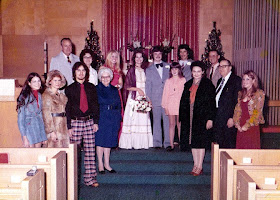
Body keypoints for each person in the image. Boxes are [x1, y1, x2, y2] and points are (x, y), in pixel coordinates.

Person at [65, 62, 99, 187]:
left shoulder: (91, 87)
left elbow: (95, 106)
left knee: (90, 151)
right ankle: (72, 180)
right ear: (74, 73)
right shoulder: (69, 89)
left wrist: (95, 122)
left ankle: (90, 178)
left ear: (86, 72)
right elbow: (67, 109)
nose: (81, 73)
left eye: (83, 70)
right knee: (74, 152)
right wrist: (68, 126)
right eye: (78, 70)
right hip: (75, 122)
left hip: (89, 121)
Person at [179, 61, 216, 176]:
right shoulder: (188, 84)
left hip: (201, 117)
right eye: (194, 71)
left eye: (198, 71)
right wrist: (181, 116)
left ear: (203, 72)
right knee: (193, 142)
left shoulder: (207, 84)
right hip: (189, 116)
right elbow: (182, 101)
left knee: (201, 142)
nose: (196, 74)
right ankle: (195, 164)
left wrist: (210, 118)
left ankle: (199, 166)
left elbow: (211, 103)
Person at [119, 50, 153, 149]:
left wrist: (148, 97)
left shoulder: (146, 70)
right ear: (134, 59)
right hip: (134, 97)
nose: (139, 59)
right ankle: (131, 143)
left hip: (144, 96)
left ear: (143, 59)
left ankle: (142, 143)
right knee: (133, 119)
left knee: (143, 119)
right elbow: (127, 86)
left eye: (140, 57)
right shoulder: (131, 70)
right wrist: (138, 89)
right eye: (136, 57)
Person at [95, 68, 122, 173]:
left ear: (110, 78)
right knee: (100, 140)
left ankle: (107, 164)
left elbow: (118, 104)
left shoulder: (115, 89)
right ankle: (100, 164)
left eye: (107, 77)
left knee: (109, 141)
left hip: (113, 116)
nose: (105, 79)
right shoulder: (96, 89)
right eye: (103, 77)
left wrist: (118, 117)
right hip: (102, 116)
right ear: (100, 78)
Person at [213, 59, 242, 148]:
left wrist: (233, 118)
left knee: (229, 144)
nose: (221, 68)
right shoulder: (219, 81)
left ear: (230, 68)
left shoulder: (236, 80)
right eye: (220, 66)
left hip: (229, 118)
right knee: (220, 144)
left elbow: (237, 101)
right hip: (219, 117)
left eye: (224, 66)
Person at [146, 46, 170, 150]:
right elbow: (148, 85)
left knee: (167, 121)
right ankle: (157, 142)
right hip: (155, 98)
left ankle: (168, 142)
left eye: (159, 54)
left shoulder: (168, 66)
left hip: (167, 99)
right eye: (155, 54)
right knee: (156, 121)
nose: (158, 56)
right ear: (152, 56)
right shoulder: (148, 69)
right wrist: (148, 99)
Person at [233, 70, 265, 149]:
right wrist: (237, 123)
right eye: (243, 79)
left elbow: (257, 112)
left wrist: (247, 125)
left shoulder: (259, 93)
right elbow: (237, 110)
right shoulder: (240, 93)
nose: (244, 81)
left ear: (253, 81)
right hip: (241, 126)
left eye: (247, 79)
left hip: (252, 126)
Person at [17, 72, 47, 147]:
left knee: (38, 155)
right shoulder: (24, 96)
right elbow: (20, 119)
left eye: (39, 81)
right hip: (28, 129)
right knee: (30, 155)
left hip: (38, 129)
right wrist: (24, 137)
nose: (37, 83)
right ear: (29, 83)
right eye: (34, 81)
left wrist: (43, 135)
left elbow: (40, 117)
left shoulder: (39, 95)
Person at [162, 62, 186, 151]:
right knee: (171, 124)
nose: (174, 71)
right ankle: (171, 144)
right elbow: (165, 94)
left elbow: (185, 93)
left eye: (176, 69)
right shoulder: (168, 81)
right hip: (171, 104)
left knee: (180, 124)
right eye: (172, 69)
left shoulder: (183, 80)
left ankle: (181, 143)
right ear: (170, 71)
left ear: (179, 70)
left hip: (180, 104)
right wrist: (165, 106)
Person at [42, 70, 68, 147]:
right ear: (50, 82)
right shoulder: (46, 95)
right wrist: (51, 131)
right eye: (55, 80)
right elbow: (46, 115)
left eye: (59, 80)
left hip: (63, 126)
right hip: (54, 126)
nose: (57, 83)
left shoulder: (62, 96)